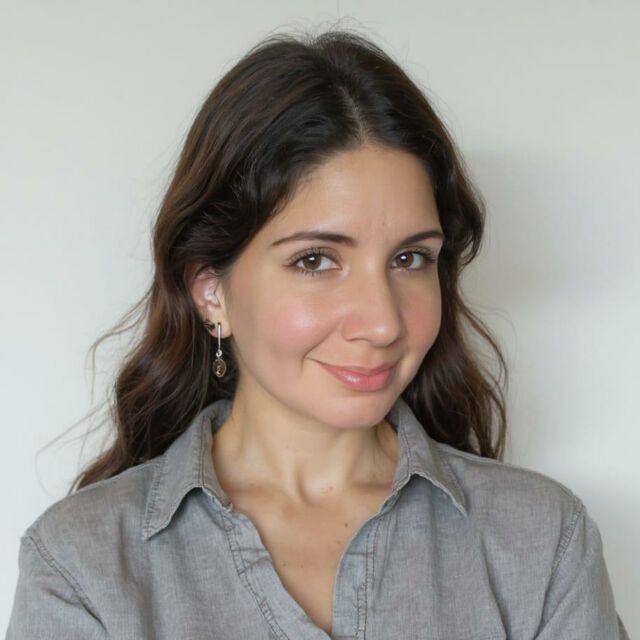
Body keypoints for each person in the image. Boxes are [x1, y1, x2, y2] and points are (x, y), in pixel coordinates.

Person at [5, 27, 629, 640]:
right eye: (315, 260)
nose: (382, 322)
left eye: (410, 258)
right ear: (211, 291)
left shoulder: (542, 544)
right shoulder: (83, 567)